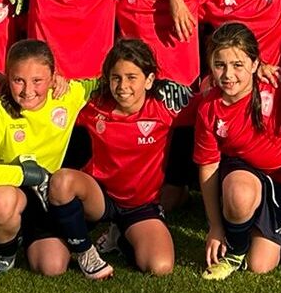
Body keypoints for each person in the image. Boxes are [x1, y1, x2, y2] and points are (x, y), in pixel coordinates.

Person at [49, 40, 183, 277]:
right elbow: (50, 99)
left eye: (132, 77)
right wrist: (57, 82)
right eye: (116, 77)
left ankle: (120, 237)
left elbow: (209, 103)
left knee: (160, 267)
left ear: (149, 80)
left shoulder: (166, 109)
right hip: (100, 197)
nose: (123, 86)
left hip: (140, 205)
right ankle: (85, 251)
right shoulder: (94, 105)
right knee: (62, 181)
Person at [0, 39, 93, 281]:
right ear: (8, 76)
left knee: (52, 266)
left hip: (47, 196)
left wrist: (160, 84)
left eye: (37, 81)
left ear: (54, 77)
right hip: (10, 189)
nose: (27, 90)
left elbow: (106, 82)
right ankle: (4, 254)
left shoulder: (68, 95)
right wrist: (29, 174)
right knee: (1, 203)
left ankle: (26, 232)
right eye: (18, 80)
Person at [195, 23, 281, 280]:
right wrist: (215, 226)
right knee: (239, 193)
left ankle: (264, 216)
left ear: (254, 64)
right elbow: (208, 165)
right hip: (244, 172)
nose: (228, 74)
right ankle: (235, 251)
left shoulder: (274, 81)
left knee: (262, 264)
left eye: (238, 64)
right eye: (220, 65)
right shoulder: (209, 108)